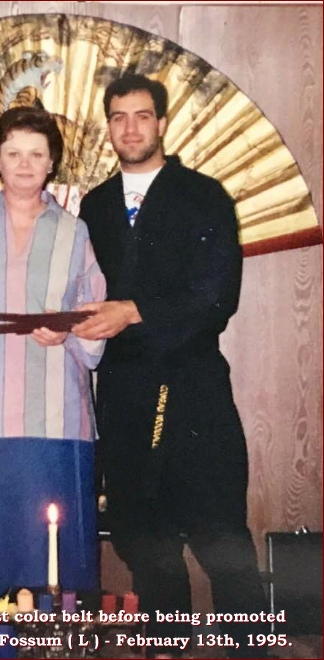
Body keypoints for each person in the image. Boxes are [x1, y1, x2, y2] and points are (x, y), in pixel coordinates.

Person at [72, 73, 269, 658]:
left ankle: (250, 649)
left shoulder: (203, 195)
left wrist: (133, 310)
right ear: (108, 126)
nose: (130, 128)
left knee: (219, 529)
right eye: (118, 117)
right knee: (141, 532)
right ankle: (165, 645)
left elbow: (217, 295)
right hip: (124, 386)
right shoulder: (95, 205)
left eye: (142, 115)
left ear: (161, 122)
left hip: (191, 380)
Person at [0, 106, 106, 604]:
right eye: (13, 153)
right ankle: (0, 641)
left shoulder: (75, 233)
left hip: (58, 421)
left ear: (52, 162)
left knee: (60, 562)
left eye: (36, 154)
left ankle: (59, 642)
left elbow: (95, 318)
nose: (25, 164)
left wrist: (68, 333)